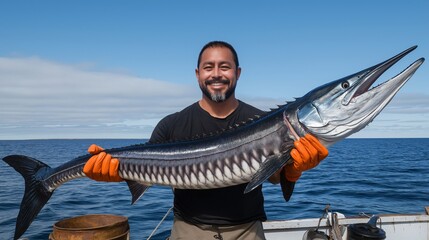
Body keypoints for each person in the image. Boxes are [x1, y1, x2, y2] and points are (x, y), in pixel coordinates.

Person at [83, 41, 328, 240]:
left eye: (225, 66)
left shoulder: (261, 121)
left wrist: (293, 170)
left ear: (238, 73)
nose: (216, 74)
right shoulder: (171, 125)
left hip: (247, 231)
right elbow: (144, 169)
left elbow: (272, 174)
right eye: (209, 67)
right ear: (198, 73)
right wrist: (116, 171)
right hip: (188, 230)